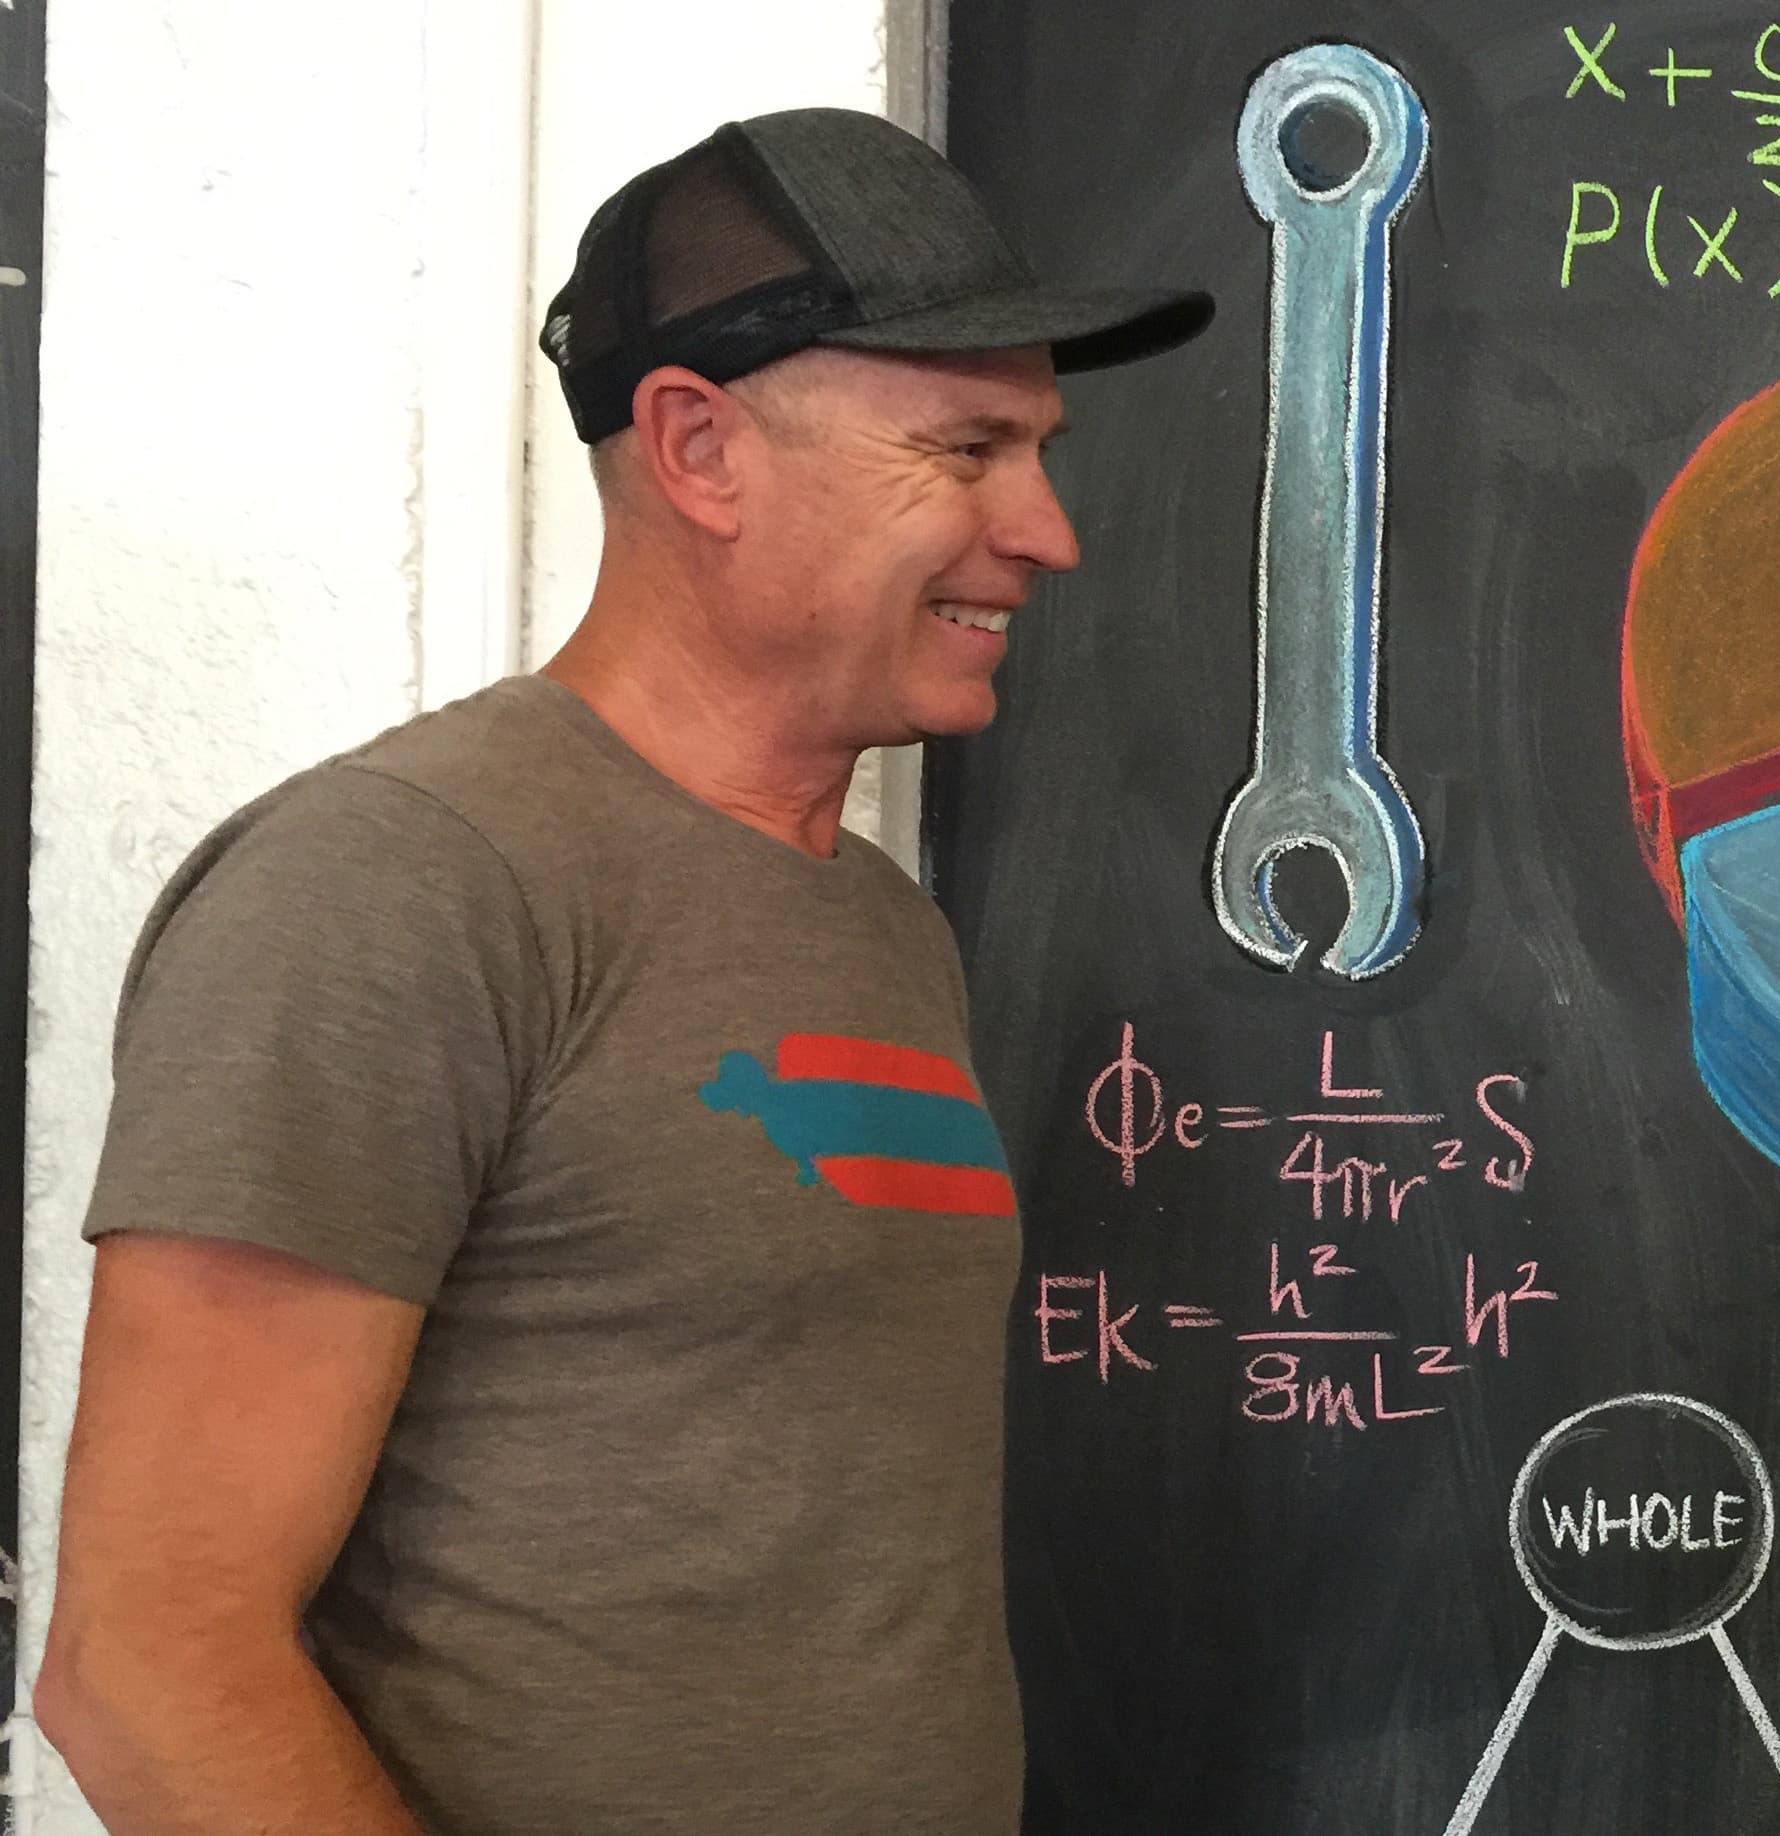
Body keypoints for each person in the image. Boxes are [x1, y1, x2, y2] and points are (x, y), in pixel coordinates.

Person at [34, 108, 1208, 1834]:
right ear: (699, 446)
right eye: (967, 451)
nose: (1048, 531)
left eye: (1038, 449)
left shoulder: (880, 925)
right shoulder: (404, 881)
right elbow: (145, 1663)